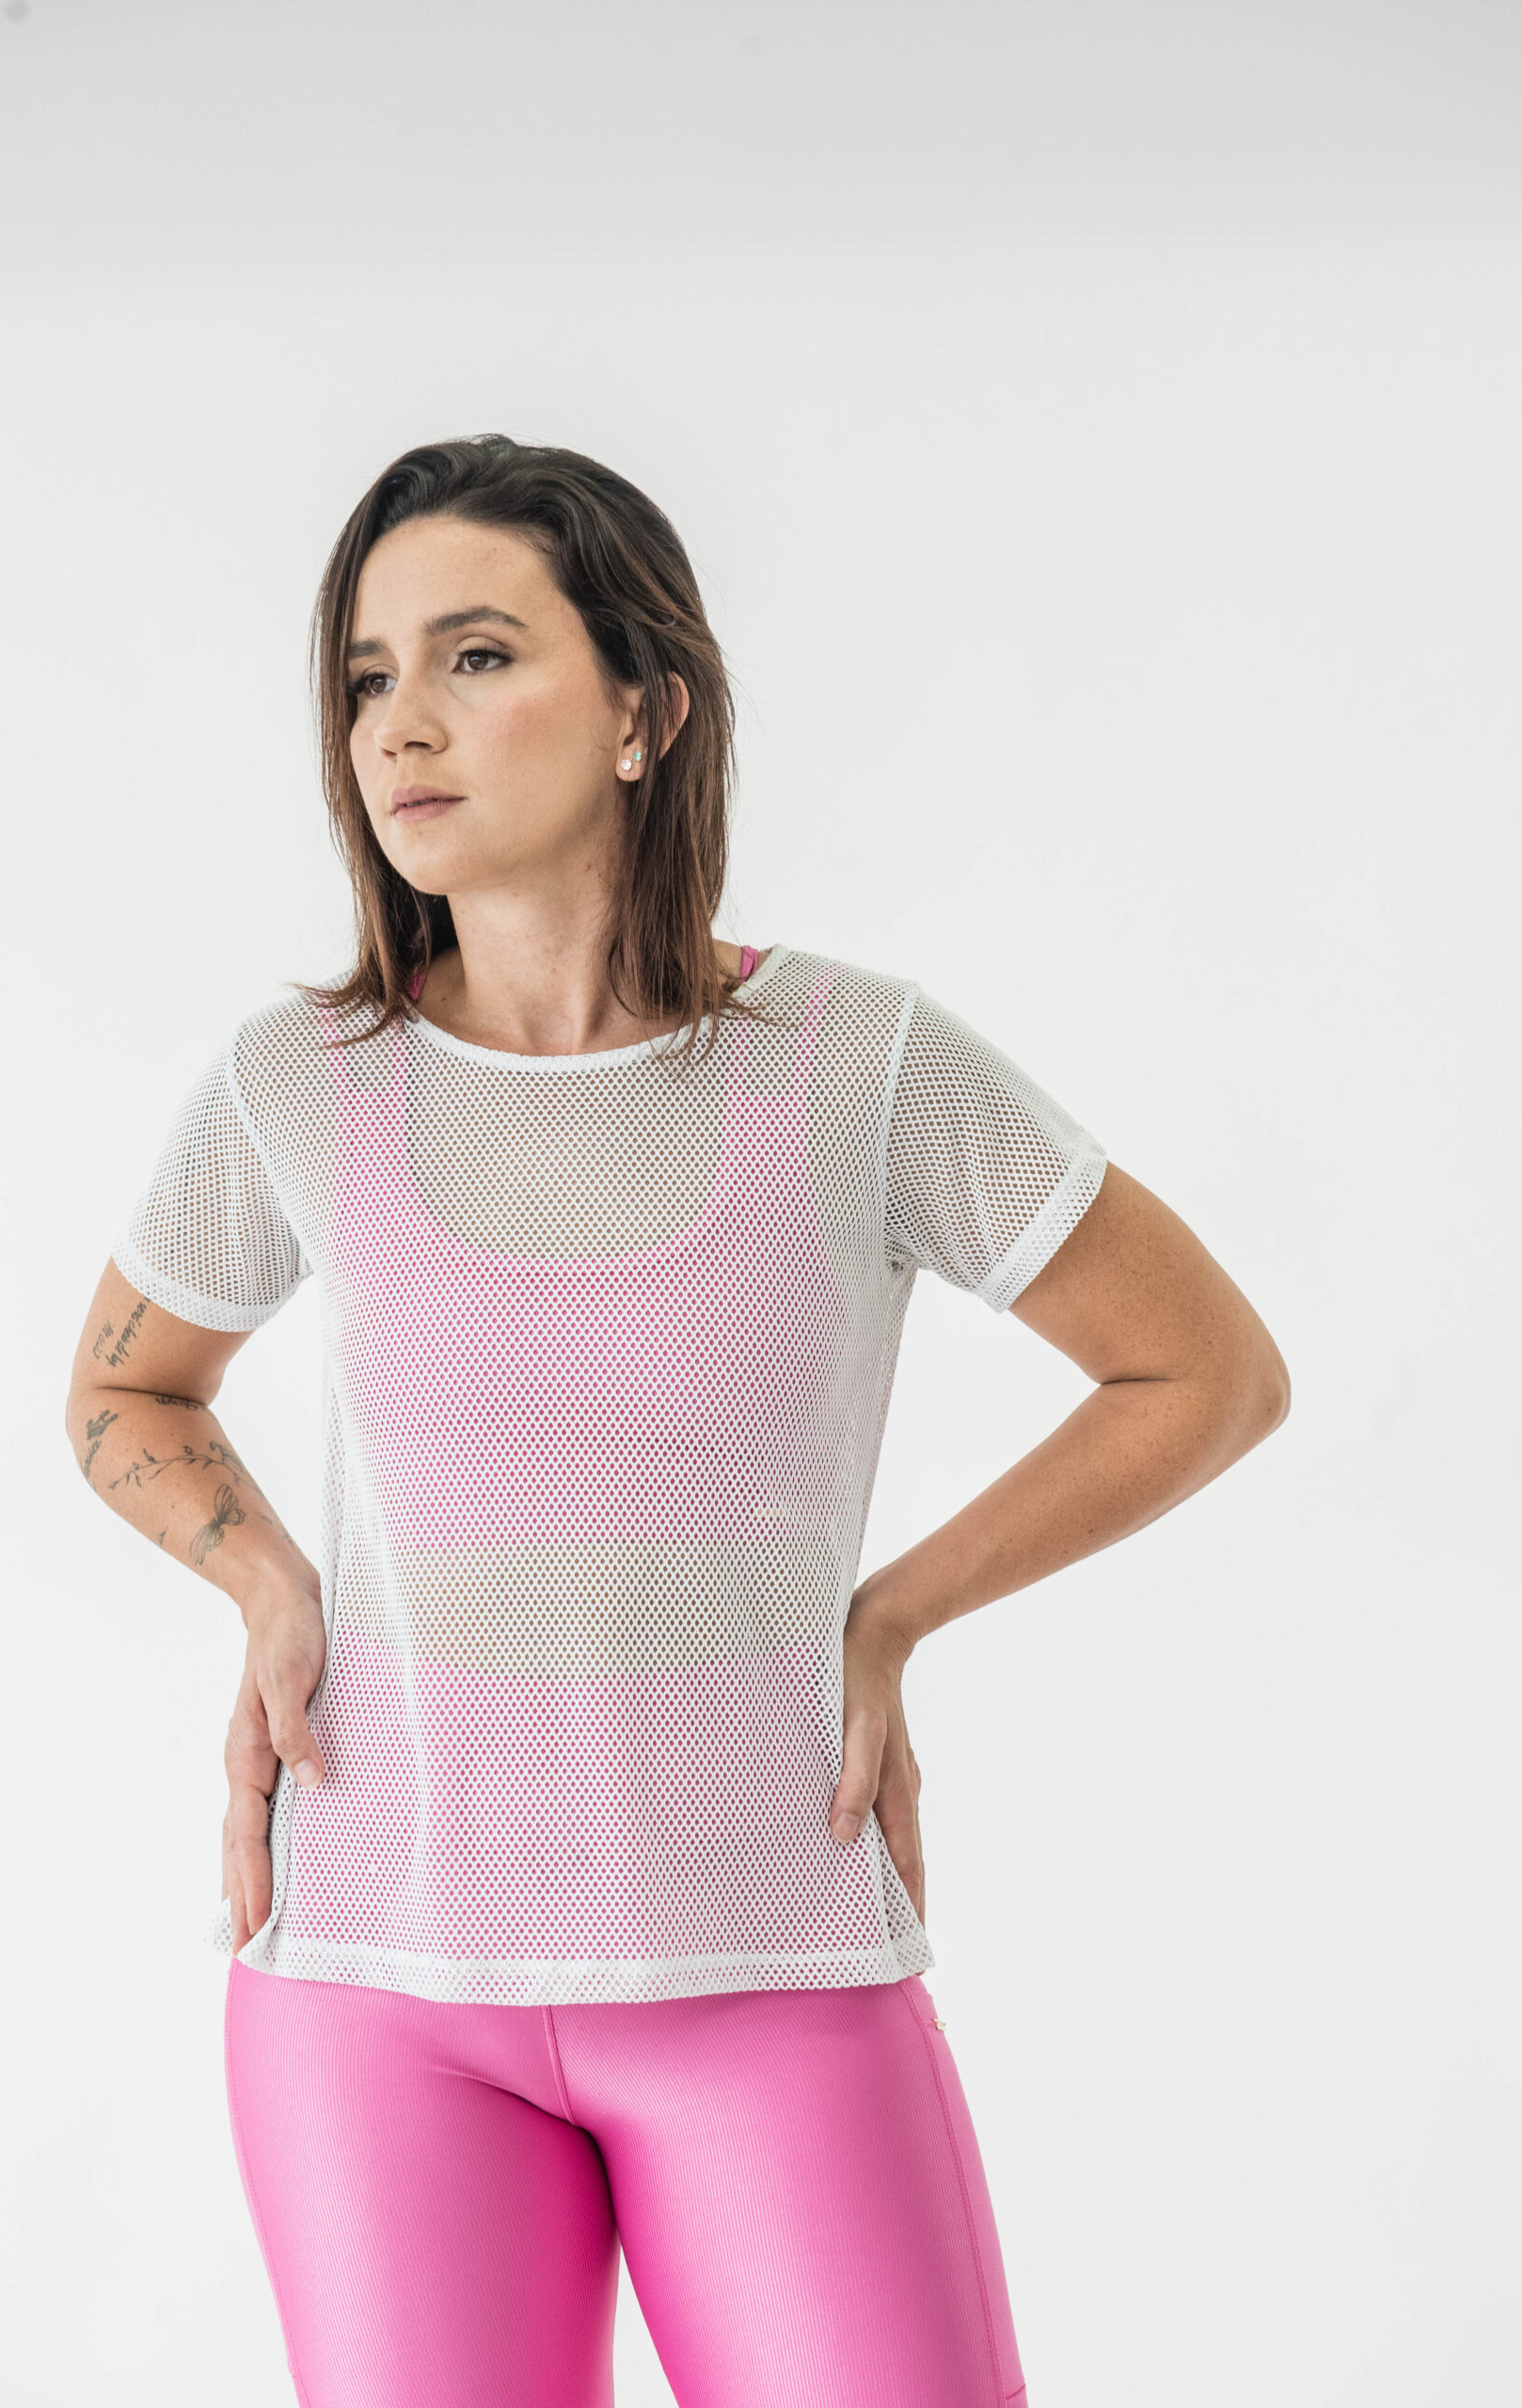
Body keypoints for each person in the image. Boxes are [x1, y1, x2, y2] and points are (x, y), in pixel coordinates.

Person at [64, 434, 1289, 2408]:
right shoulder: (296, 1083)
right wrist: (271, 1584)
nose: (400, 726)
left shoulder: (857, 1066)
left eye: (475, 655)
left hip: (765, 1961)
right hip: (373, 1989)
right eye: (367, 677)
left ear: (647, 708)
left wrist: (889, 1616)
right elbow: (124, 1387)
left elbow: (1206, 1370)